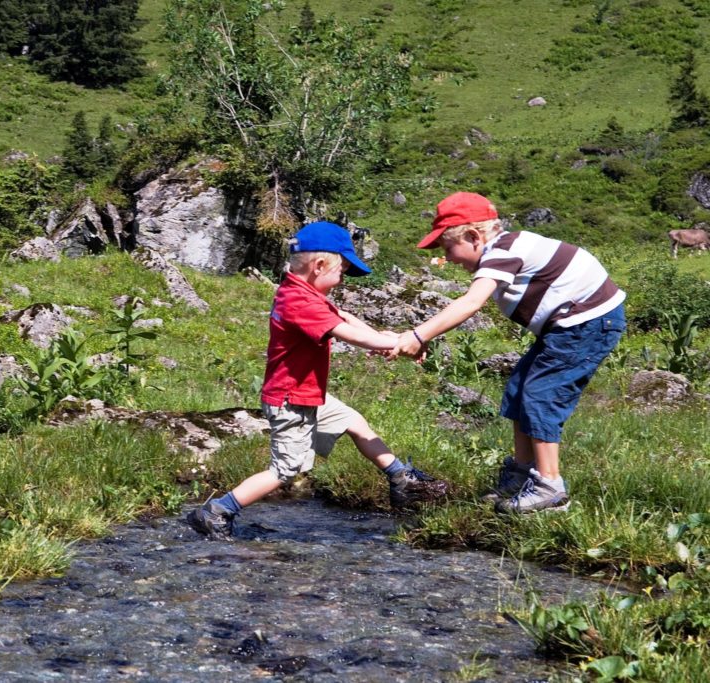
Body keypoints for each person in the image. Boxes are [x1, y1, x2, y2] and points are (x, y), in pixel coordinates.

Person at [186, 222, 450, 539]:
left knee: (353, 420)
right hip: (291, 400)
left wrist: (387, 336)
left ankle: (401, 480)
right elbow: (347, 333)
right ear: (320, 265)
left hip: (306, 394)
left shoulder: (302, 292)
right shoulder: (298, 302)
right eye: (342, 272)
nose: (341, 281)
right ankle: (218, 511)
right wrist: (398, 343)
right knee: (285, 469)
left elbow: (345, 319)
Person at [391, 192, 626, 513]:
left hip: (588, 323)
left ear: (474, 236)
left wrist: (419, 335)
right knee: (518, 390)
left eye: (449, 249)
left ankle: (549, 487)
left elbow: (472, 302)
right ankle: (521, 474)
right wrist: (427, 336)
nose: (450, 258)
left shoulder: (501, 252)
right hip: (571, 325)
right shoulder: (505, 248)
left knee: (541, 395)